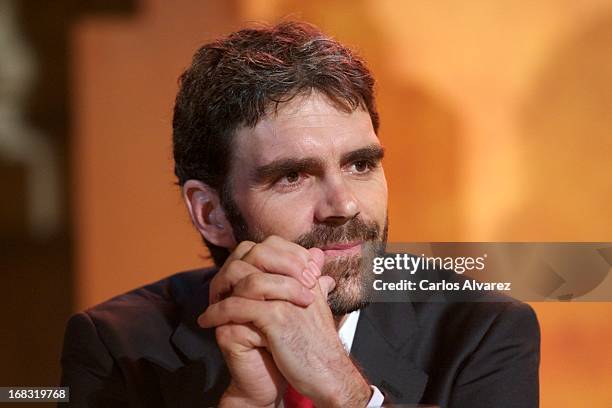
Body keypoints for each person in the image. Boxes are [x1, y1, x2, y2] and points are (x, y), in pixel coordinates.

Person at [60, 21, 540, 407]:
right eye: (292, 176)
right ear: (211, 213)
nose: (346, 205)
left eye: (360, 164)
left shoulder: (483, 331)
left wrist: (344, 392)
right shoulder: (120, 348)